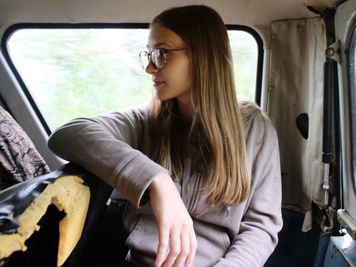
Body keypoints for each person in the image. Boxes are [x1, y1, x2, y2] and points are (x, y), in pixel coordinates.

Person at [48, 5, 282, 267]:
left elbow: (260, 227)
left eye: (161, 53)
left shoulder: (255, 130)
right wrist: (157, 180)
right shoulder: (147, 121)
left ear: (201, 56)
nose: (150, 67)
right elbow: (67, 134)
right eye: (148, 54)